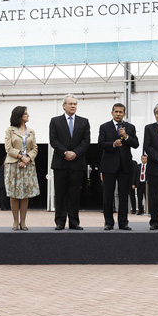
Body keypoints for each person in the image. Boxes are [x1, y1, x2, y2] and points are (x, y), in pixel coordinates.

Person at [49, 94, 90, 230]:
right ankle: (60, 222)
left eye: (75, 104)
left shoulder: (84, 122)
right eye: (70, 104)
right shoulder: (55, 121)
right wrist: (65, 152)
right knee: (60, 194)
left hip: (77, 163)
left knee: (74, 194)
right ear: (64, 106)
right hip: (60, 163)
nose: (73, 106)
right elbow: (53, 140)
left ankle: (74, 222)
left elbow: (86, 141)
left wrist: (75, 153)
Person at [99, 103, 139, 230]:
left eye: (120, 112)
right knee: (108, 195)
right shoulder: (104, 127)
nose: (118, 114)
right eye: (116, 111)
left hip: (125, 166)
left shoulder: (130, 127)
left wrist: (126, 136)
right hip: (109, 166)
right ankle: (108, 222)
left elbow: (136, 144)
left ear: (124, 114)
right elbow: (100, 143)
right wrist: (112, 144)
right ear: (112, 113)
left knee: (123, 195)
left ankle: (123, 222)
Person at [4, 106, 40, 230]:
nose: (28, 115)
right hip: (13, 164)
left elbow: (35, 149)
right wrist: (21, 157)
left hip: (28, 165)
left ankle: (23, 222)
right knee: (14, 193)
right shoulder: (10, 130)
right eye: (25, 113)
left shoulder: (31, 131)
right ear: (19, 115)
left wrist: (27, 158)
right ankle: (15, 221)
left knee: (25, 194)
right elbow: (8, 148)